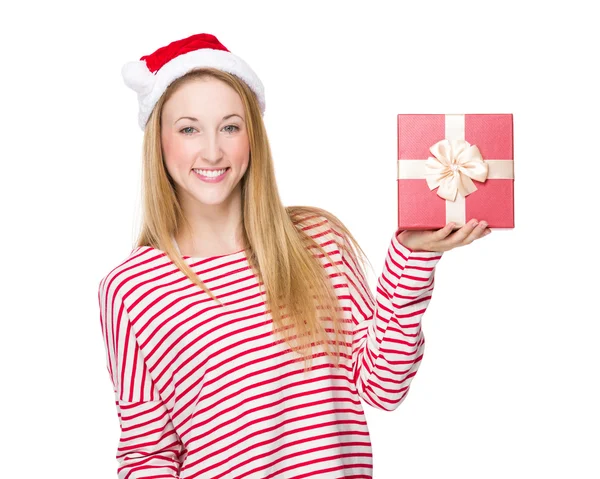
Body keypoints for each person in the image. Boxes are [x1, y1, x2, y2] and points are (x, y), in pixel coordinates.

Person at [97, 32, 492, 479]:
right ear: (160, 142)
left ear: (253, 137)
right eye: (189, 129)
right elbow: (146, 455)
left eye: (230, 126)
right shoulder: (132, 289)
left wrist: (414, 256)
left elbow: (384, 385)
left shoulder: (317, 241)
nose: (212, 150)